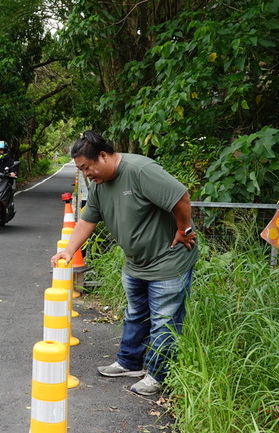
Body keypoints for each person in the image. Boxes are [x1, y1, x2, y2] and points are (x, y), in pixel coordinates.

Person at [50, 130, 199, 396]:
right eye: (81, 169)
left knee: (164, 321)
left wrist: (184, 229)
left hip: (168, 262)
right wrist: (69, 250)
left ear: (104, 156)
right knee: (135, 314)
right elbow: (87, 220)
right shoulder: (98, 185)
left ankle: (157, 375)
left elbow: (181, 197)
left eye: (87, 167)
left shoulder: (140, 170)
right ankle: (130, 362)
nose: (86, 174)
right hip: (136, 263)